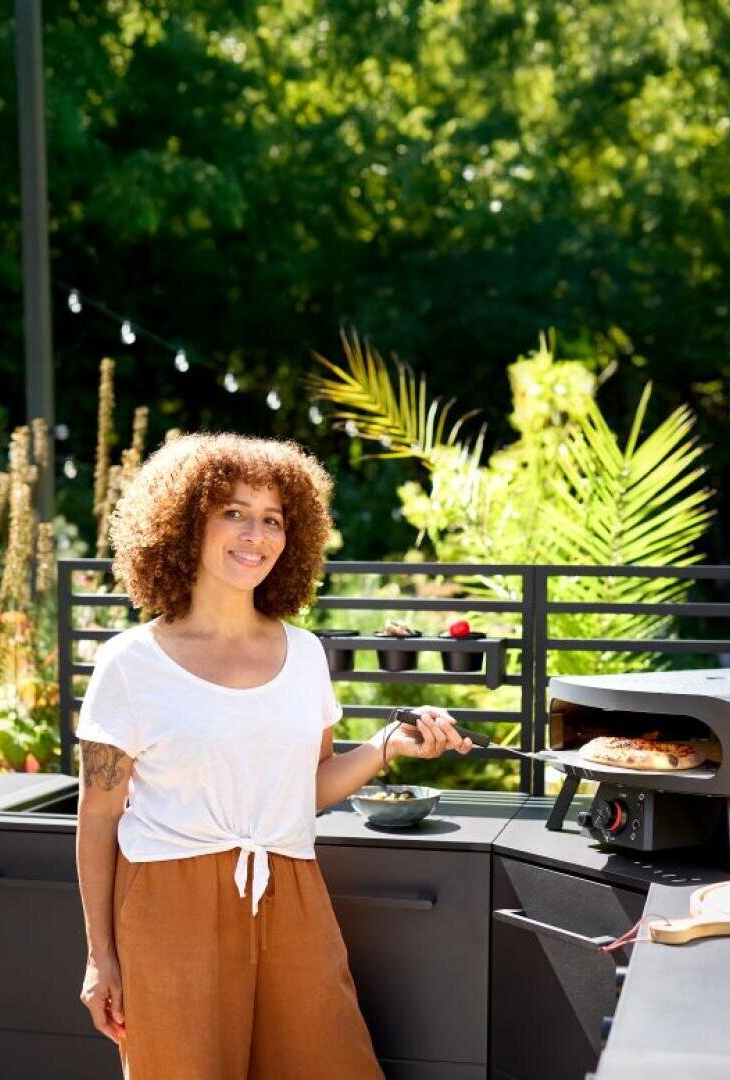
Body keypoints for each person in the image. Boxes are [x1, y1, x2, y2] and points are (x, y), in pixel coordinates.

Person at [74, 432, 472, 1080]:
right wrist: (101, 957)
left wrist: (384, 746)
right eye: (232, 511)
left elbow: (303, 788)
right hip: (167, 907)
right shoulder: (129, 664)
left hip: (290, 895)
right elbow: (97, 820)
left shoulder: (305, 653)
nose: (254, 534)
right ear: (184, 522)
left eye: (272, 519)